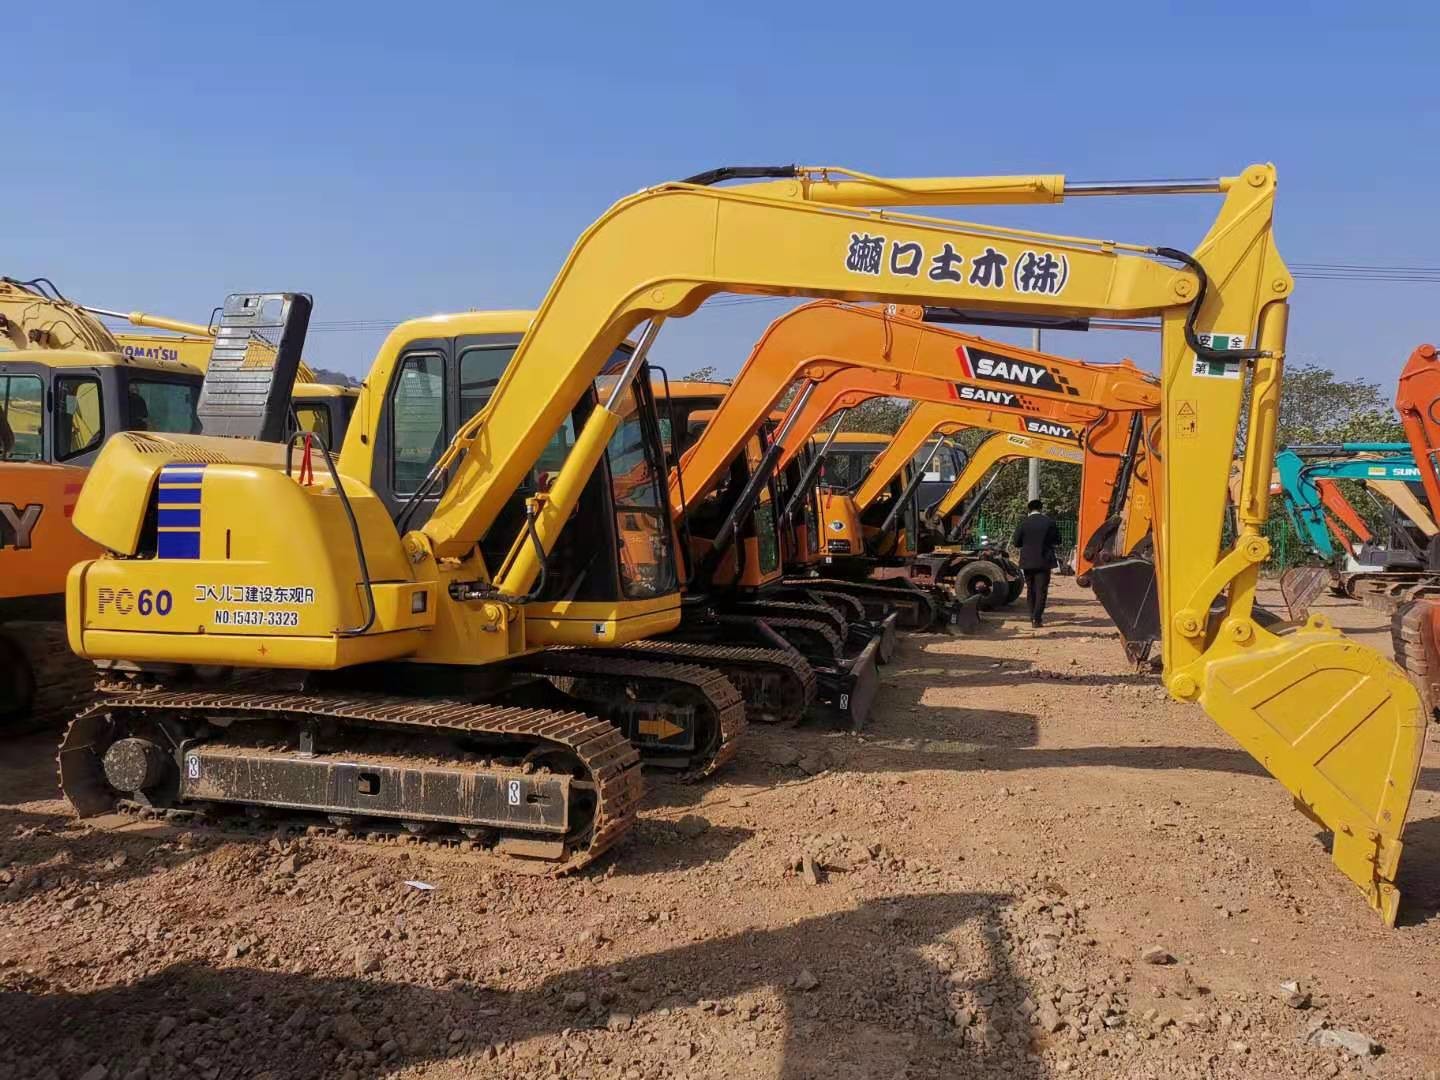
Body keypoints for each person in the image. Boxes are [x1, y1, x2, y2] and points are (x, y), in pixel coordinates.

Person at [1011, 498, 1060, 627]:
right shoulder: (1049, 522)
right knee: (1041, 590)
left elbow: (1016, 543)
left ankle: (1031, 615)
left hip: (1027, 561)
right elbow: (1057, 540)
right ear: (1041, 508)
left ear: (1029, 509)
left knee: (1030, 589)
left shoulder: (1023, 523)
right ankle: (1037, 619)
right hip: (1044, 561)